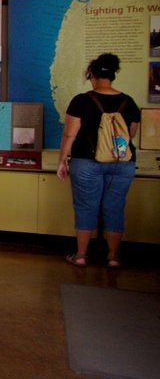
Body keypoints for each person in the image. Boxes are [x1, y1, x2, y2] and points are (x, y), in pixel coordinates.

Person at [56, 53, 140, 268]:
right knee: (115, 207)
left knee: (85, 207)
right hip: (122, 163)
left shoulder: (81, 101)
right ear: (113, 75)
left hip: (86, 161)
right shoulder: (128, 102)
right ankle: (113, 257)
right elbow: (130, 134)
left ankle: (81, 255)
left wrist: (62, 161)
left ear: (92, 75)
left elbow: (69, 134)